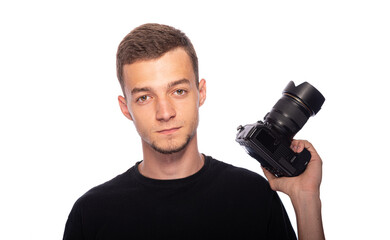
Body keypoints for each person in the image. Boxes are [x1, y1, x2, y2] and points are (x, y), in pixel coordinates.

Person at [63, 23, 325, 240]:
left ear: (201, 93)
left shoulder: (253, 196)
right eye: (144, 97)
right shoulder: (91, 214)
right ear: (125, 108)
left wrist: (306, 198)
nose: (165, 112)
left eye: (178, 91)